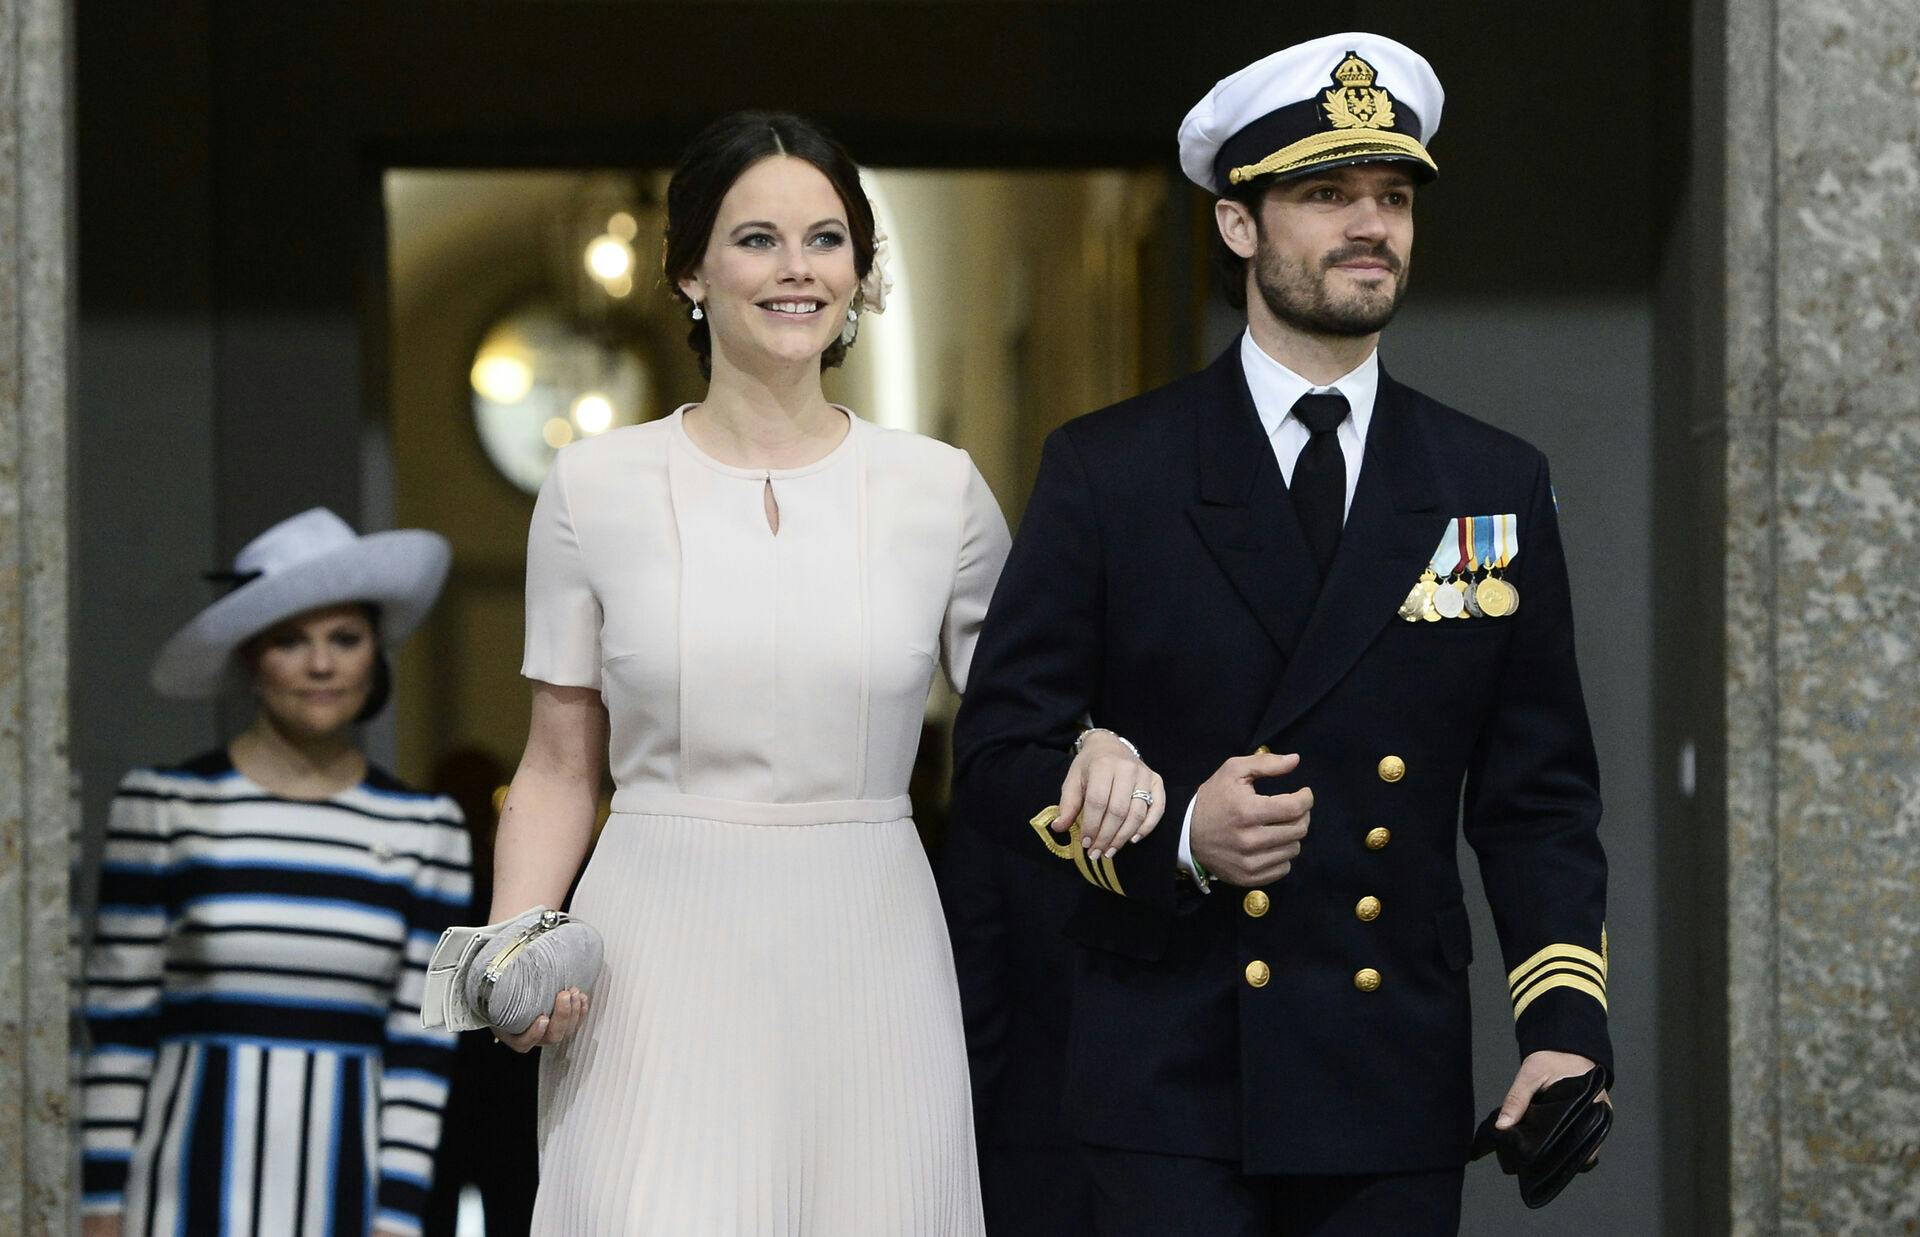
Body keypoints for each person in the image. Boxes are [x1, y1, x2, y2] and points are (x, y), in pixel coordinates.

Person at [952, 33, 1613, 1236]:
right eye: (1326, 195)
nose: (1371, 226)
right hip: (1169, 1080)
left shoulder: (1487, 483)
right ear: (1238, 224)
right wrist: (1178, 839)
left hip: (1388, 1080)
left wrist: (1564, 1026)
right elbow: (998, 758)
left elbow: (1538, 798)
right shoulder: (1113, 471)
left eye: (1393, 197)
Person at [484, 110, 1159, 1235]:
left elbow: (1025, 712)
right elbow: (559, 764)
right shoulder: (593, 485)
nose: (796, 268)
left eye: (826, 239)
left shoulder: (940, 490)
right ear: (690, 269)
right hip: (654, 941)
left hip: (873, 937)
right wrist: (512, 945)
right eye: (756, 239)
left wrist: (1099, 740)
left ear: (858, 271)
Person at [80, 508, 471, 1237]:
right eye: (290, 640)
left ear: (374, 655)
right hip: (176, 1200)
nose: (321, 665)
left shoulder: (427, 828)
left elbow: (423, 1046)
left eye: (345, 638)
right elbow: (119, 1026)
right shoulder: (164, 804)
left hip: (347, 1202)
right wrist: (99, 1209)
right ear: (250, 658)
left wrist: (397, 1219)